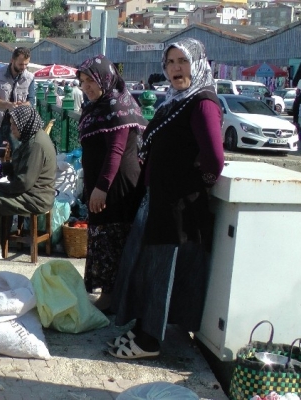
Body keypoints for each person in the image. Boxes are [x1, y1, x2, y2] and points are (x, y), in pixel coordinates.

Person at [111, 38, 225, 360]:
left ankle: (150, 341)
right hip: (159, 202)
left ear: (199, 64)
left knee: (161, 273)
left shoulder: (203, 103)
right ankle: (143, 326)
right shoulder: (176, 100)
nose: (176, 68)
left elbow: (214, 159)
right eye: (171, 62)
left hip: (178, 208)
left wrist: (194, 185)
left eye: (183, 61)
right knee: (147, 268)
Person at [76, 55, 147, 312]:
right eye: (83, 81)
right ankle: (109, 294)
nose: (87, 86)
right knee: (101, 236)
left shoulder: (118, 106)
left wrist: (102, 187)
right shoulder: (97, 106)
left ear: (105, 78)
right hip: (102, 184)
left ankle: (111, 297)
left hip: (117, 188)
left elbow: (115, 151)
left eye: (91, 80)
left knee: (111, 237)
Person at [0, 106, 56, 258]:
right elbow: (19, 166)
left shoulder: (36, 145)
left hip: (36, 197)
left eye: (14, 125)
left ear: (24, 124)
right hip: (31, 192)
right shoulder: (31, 138)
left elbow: (23, 183)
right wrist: (1, 168)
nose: (12, 129)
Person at [0, 47, 36, 178]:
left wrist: (22, 106)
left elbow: (31, 101)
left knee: (20, 159)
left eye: (26, 64)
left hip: (17, 127)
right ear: (12, 60)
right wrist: (8, 105)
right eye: (21, 64)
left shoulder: (30, 77)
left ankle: (15, 186)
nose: (23, 67)